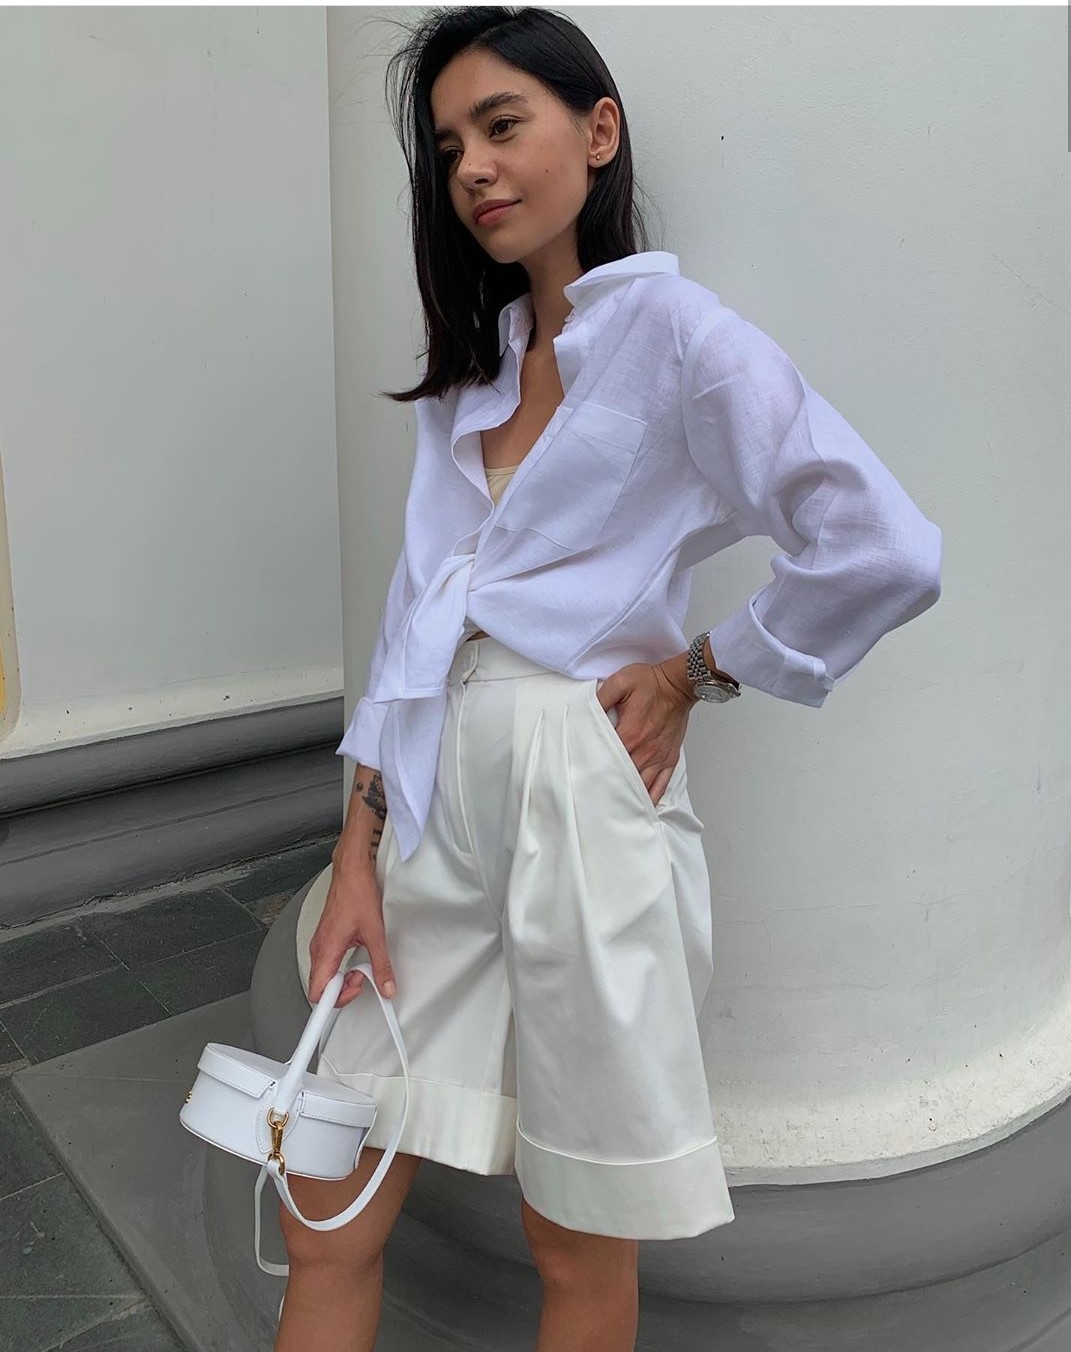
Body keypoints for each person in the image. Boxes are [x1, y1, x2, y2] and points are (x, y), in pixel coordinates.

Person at [279, 8, 943, 1352]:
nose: (472, 168)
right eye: (448, 148)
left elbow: (882, 544)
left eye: (501, 125)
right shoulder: (469, 380)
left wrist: (700, 670)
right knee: (324, 1186)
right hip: (430, 792)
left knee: (574, 1231)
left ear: (598, 131)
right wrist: (357, 848)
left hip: (583, 790)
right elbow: (414, 624)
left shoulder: (685, 339)